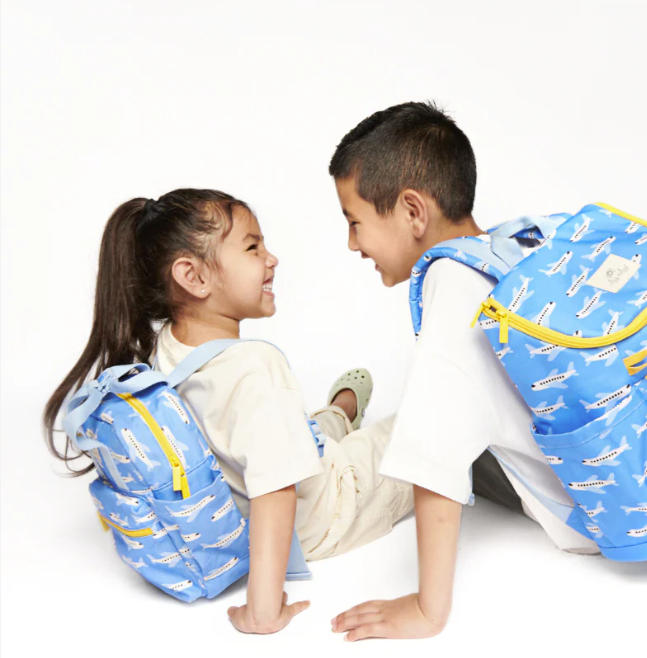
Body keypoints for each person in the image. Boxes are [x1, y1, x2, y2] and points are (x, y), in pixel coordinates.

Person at [43, 188, 413, 635]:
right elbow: (276, 492)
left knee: (303, 430)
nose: (271, 259)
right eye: (253, 247)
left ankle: (340, 411)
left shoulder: (164, 350)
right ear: (194, 276)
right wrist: (262, 612)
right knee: (426, 426)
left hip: (247, 496)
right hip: (328, 511)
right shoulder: (256, 369)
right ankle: (343, 415)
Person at [327, 102, 598, 641]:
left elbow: (433, 461)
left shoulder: (451, 284)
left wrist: (427, 610)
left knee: (406, 436)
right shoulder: (510, 245)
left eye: (355, 222)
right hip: (608, 468)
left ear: (413, 211)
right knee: (428, 414)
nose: (353, 243)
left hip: (586, 515)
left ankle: (328, 439)